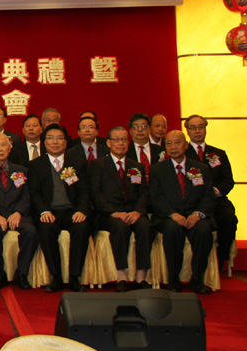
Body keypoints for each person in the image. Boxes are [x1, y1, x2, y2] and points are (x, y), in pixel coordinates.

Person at [150, 130, 216, 294]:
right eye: (169, 143)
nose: (173, 147)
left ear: (186, 145)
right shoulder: (157, 169)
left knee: (203, 231)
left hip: (195, 215)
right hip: (169, 216)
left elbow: (208, 196)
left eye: (177, 143)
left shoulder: (201, 168)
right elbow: (155, 197)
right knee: (172, 230)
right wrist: (173, 214)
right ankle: (173, 278)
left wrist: (197, 214)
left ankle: (197, 278)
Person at [30, 124, 92, 293]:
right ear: (44, 142)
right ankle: (56, 277)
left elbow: (84, 191)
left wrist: (81, 210)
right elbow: (35, 193)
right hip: (50, 211)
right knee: (45, 228)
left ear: (65, 142)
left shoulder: (77, 163)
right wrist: (44, 211)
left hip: (73, 211)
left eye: (59, 138)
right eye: (50, 138)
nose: (55, 142)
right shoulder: (36, 165)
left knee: (82, 227)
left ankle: (74, 278)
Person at [90, 126, 151, 291]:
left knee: (145, 226)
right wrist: (114, 212)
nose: (121, 143)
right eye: (116, 140)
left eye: (124, 139)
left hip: (133, 212)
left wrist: (138, 211)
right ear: (109, 143)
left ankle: (141, 275)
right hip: (108, 214)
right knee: (120, 227)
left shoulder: (136, 166)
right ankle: (121, 275)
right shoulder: (98, 165)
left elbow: (144, 193)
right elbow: (96, 194)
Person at [0, 133, 36, 290]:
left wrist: (18, 213)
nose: (0, 149)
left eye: (3, 145)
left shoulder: (22, 171)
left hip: (17, 214)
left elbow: (27, 196)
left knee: (31, 232)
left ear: (10, 148)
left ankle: (21, 273)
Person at [184, 115, 238, 271]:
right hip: (192, 201)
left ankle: (221, 257)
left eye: (200, 127)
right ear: (187, 131)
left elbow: (228, 180)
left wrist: (214, 191)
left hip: (216, 200)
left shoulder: (218, 153)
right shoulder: (183, 153)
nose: (197, 131)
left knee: (229, 218)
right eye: (193, 128)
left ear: (205, 129)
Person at [126, 113, 163, 177]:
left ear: (149, 129)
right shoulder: (125, 151)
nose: (140, 130)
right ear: (130, 131)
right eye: (136, 127)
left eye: (144, 126)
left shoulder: (160, 150)